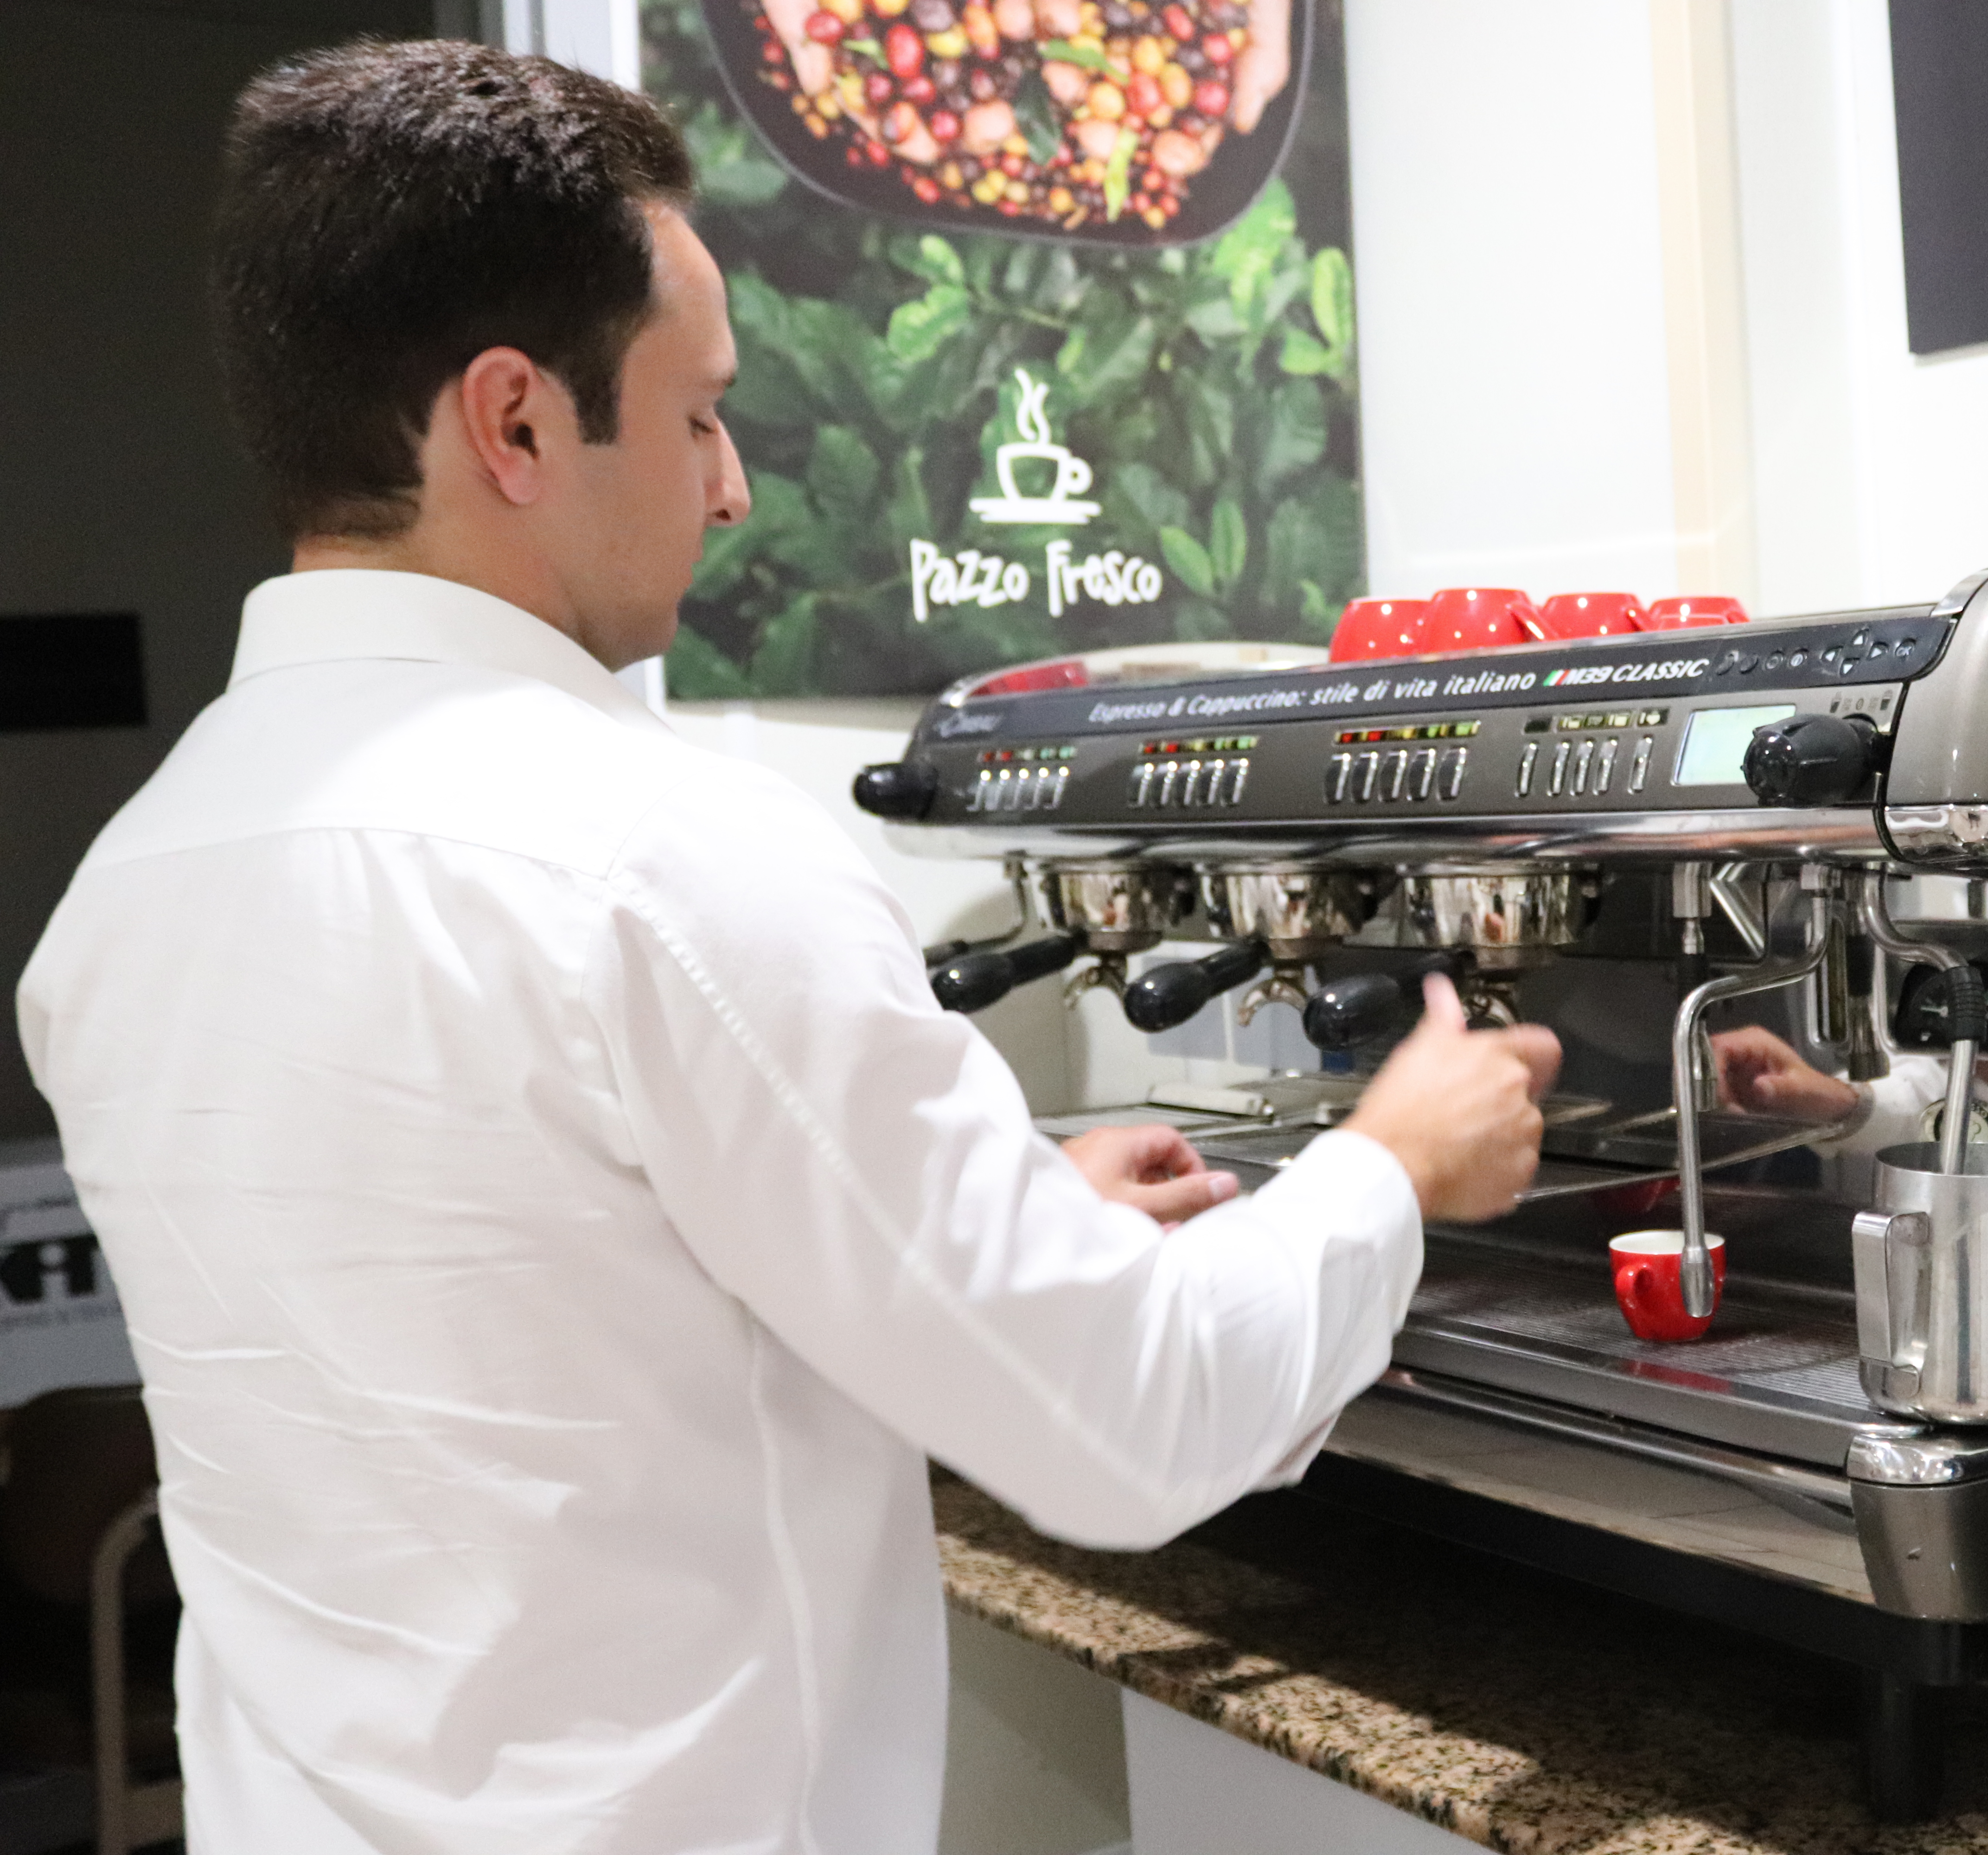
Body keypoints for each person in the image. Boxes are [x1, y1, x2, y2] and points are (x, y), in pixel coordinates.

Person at [13, 39, 1557, 1855]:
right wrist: (1392, 1163)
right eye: (694, 415)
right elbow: (1125, 1426)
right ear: (512, 423)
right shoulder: (663, 860)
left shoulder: (127, 884)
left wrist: (988, 1196)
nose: (732, 487)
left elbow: (512, 1311)